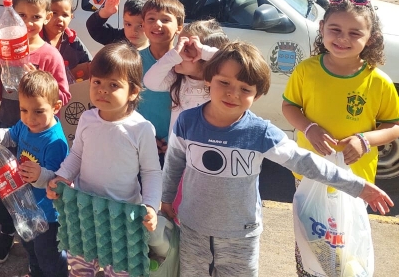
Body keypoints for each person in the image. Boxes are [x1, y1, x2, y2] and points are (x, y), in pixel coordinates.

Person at [161, 41, 393, 277]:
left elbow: (304, 161)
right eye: (224, 83)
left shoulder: (260, 132)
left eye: (245, 89)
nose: (233, 93)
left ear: (258, 95)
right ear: (208, 80)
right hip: (192, 230)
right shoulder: (187, 122)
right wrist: (166, 199)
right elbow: (174, 163)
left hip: (241, 236)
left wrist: (358, 187)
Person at [281, 0, 399, 277]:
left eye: (354, 33)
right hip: (309, 173)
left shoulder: (378, 81)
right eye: (335, 30)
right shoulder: (307, 71)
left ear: (370, 38)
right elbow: (289, 106)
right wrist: (309, 128)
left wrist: (364, 140)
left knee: (346, 249)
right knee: (312, 247)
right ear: (322, 29)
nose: (343, 38)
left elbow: (393, 126)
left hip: (355, 180)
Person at [48, 41, 161, 277]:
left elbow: (151, 172)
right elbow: (76, 154)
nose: (102, 90)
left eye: (113, 85)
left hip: (123, 215)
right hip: (84, 209)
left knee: (120, 270)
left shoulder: (141, 128)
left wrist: (151, 205)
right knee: (80, 267)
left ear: (133, 91)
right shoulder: (87, 119)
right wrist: (62, 176)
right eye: (97, 82)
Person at [0, 0, 70, 264]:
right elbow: (0, 93)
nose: (29, 22)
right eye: (22, 16)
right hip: (12, 121)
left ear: (47, 16)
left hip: (38, 132)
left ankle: (40, 234)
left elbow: (64, 95)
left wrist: (39, 80)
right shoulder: (5, 47)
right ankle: (7, 232)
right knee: (7, 185)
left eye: (36, 16)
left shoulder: (50, 55)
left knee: (33, 185)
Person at [0, 71, 69, 277]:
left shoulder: (55, 142)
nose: (30, 118)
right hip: (25, 204)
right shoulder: (26, 125)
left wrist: (40, 175)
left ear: (55, 107)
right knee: (29, 245)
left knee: (49, 254)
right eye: (24, 110)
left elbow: (58, 181)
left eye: (38, 111)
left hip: (49, 214)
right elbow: (11, 135)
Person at [143, 19, 228, 133]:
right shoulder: (177, 79)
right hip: (177, 149)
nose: (179, 52)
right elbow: (150, 82)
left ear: (205, 59)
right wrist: (171, 56)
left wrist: (205, 52)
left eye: (186, 49)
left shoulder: (219, 85)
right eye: (178, 46)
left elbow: (232, 62)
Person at [139, 0, 185, 157]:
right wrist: (144, 135)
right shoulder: (133, 61)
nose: (157, 24)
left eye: (165, 20)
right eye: (151, 19)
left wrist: (174, 138)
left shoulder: (186, 63)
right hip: (140, 140)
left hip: (177, 143)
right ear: (143, 25)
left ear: (179, 27)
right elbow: (126, 103)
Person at [43, 0, 92, 76]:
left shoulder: (74, 41)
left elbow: (90, 64)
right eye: (54, 13)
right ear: (45, 14)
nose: (60, 19)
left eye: (65, 15)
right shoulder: (36, 39)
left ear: (71, 17)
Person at [85, 0, 152, 50]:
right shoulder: (118, 39)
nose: (133, 31)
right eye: (128, 24)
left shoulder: (157, 47)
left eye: (140, 26)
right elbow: (93, 27)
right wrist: (106, 12)